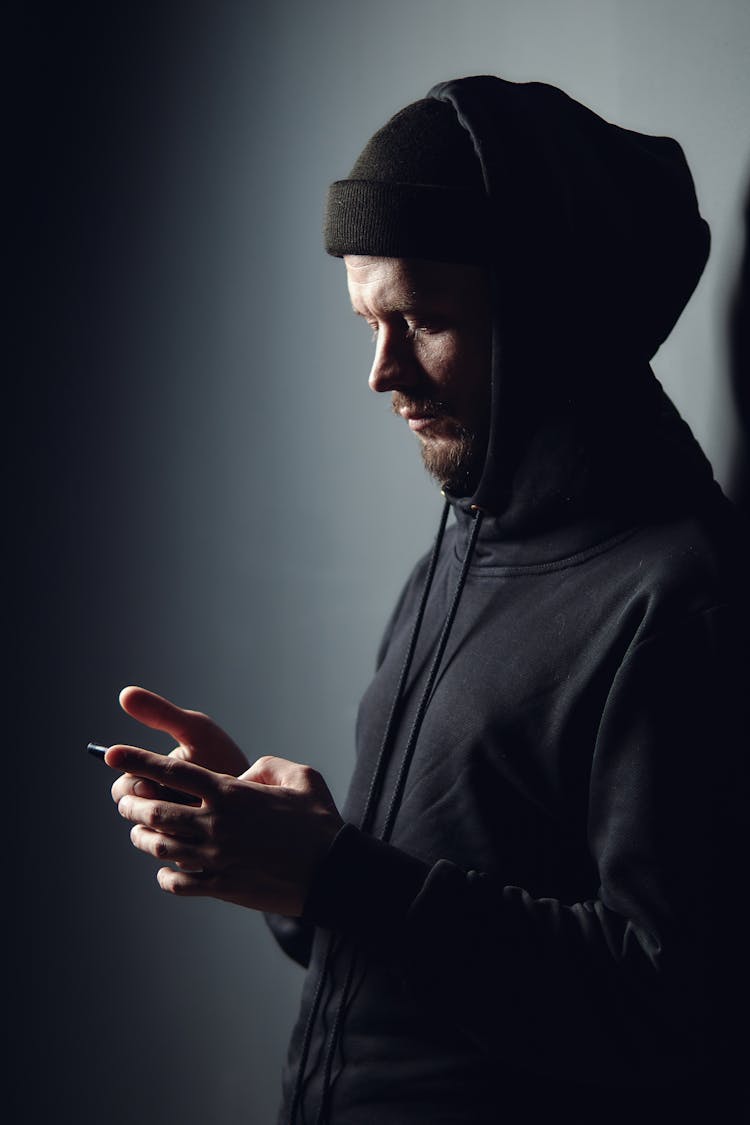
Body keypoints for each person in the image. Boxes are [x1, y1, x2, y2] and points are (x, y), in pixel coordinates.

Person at [104, 76, 748, 1122]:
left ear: (552, 319)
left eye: (424, 320)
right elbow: (419, 936)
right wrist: (278, 854)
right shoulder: (457, 552)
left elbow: (671, 1008)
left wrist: (338, 875)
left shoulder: (681, 599)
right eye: (369, 321)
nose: (382, 371)